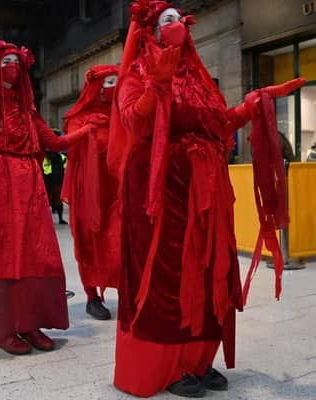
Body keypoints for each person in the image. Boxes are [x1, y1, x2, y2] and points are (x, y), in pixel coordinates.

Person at [108, 1, 306, 397]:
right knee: (167, 276)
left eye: (181, 19)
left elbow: (218, 125)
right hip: (159, 189)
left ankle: (198, 359)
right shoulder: (136, 74)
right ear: (150, 31)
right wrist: (157, 84)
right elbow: (133, 121)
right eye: (168, 20)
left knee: (206, 269)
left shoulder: (199, 78)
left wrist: (254, 104)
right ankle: (168, 366)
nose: (178, 24)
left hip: (206, 190)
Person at [0, 38, 108, 355]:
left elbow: (56, 143)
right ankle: (3, 327)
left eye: (16, 62)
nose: (12, 68)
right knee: (5, 254)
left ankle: (29, 322)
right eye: (4, 62)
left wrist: (87, 130)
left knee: (33, 254)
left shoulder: (27, 109)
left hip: (30, 187)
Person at [62, 64, 120, 321]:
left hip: (118, 188)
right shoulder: (78, 117)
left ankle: (127, 290)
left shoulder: (122, 113)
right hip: (89, 190)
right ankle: (92, 296)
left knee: (119, 240)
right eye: (109, 82)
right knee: (89, 243)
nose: (115, 87)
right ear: (96, 88)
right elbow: (72, 145)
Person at [43, 148, 68, 225]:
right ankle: (58, 216)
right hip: (51, 179)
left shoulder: (57, 156)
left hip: (54, 179)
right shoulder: (58, 155)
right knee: (52, 199)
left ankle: (59, 217)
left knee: (55, 199)